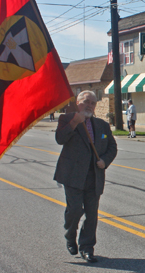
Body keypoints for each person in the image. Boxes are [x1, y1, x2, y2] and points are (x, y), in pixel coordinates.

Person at [54, 91, 117, 263]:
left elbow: (112, 147)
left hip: (94, 176)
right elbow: (60, 139)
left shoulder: (102, 126)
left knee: (91, 214)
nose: (89, 106)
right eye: (86, 102)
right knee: (74, 210)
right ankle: (70, 235)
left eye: (93, 103)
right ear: (78, 102)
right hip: (73, 175)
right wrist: (75, 121)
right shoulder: (66, 119)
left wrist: (104, 160)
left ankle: (87, 248)